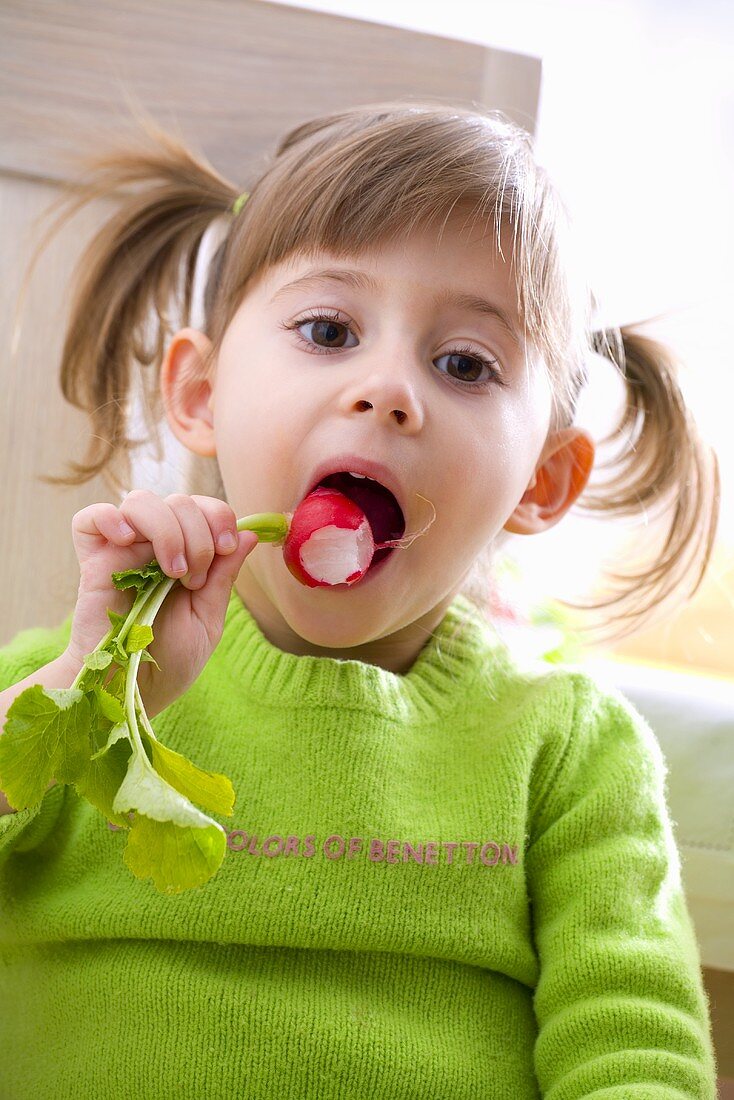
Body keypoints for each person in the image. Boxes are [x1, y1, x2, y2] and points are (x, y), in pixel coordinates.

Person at [0, 100, 721, 1098]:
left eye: (463, 362)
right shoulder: (61, 686)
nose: (387, 390)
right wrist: (88, 689)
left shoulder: (568, 749)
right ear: (201, 393)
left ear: (540, 480)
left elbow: (632, 1046)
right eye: (329, 329)